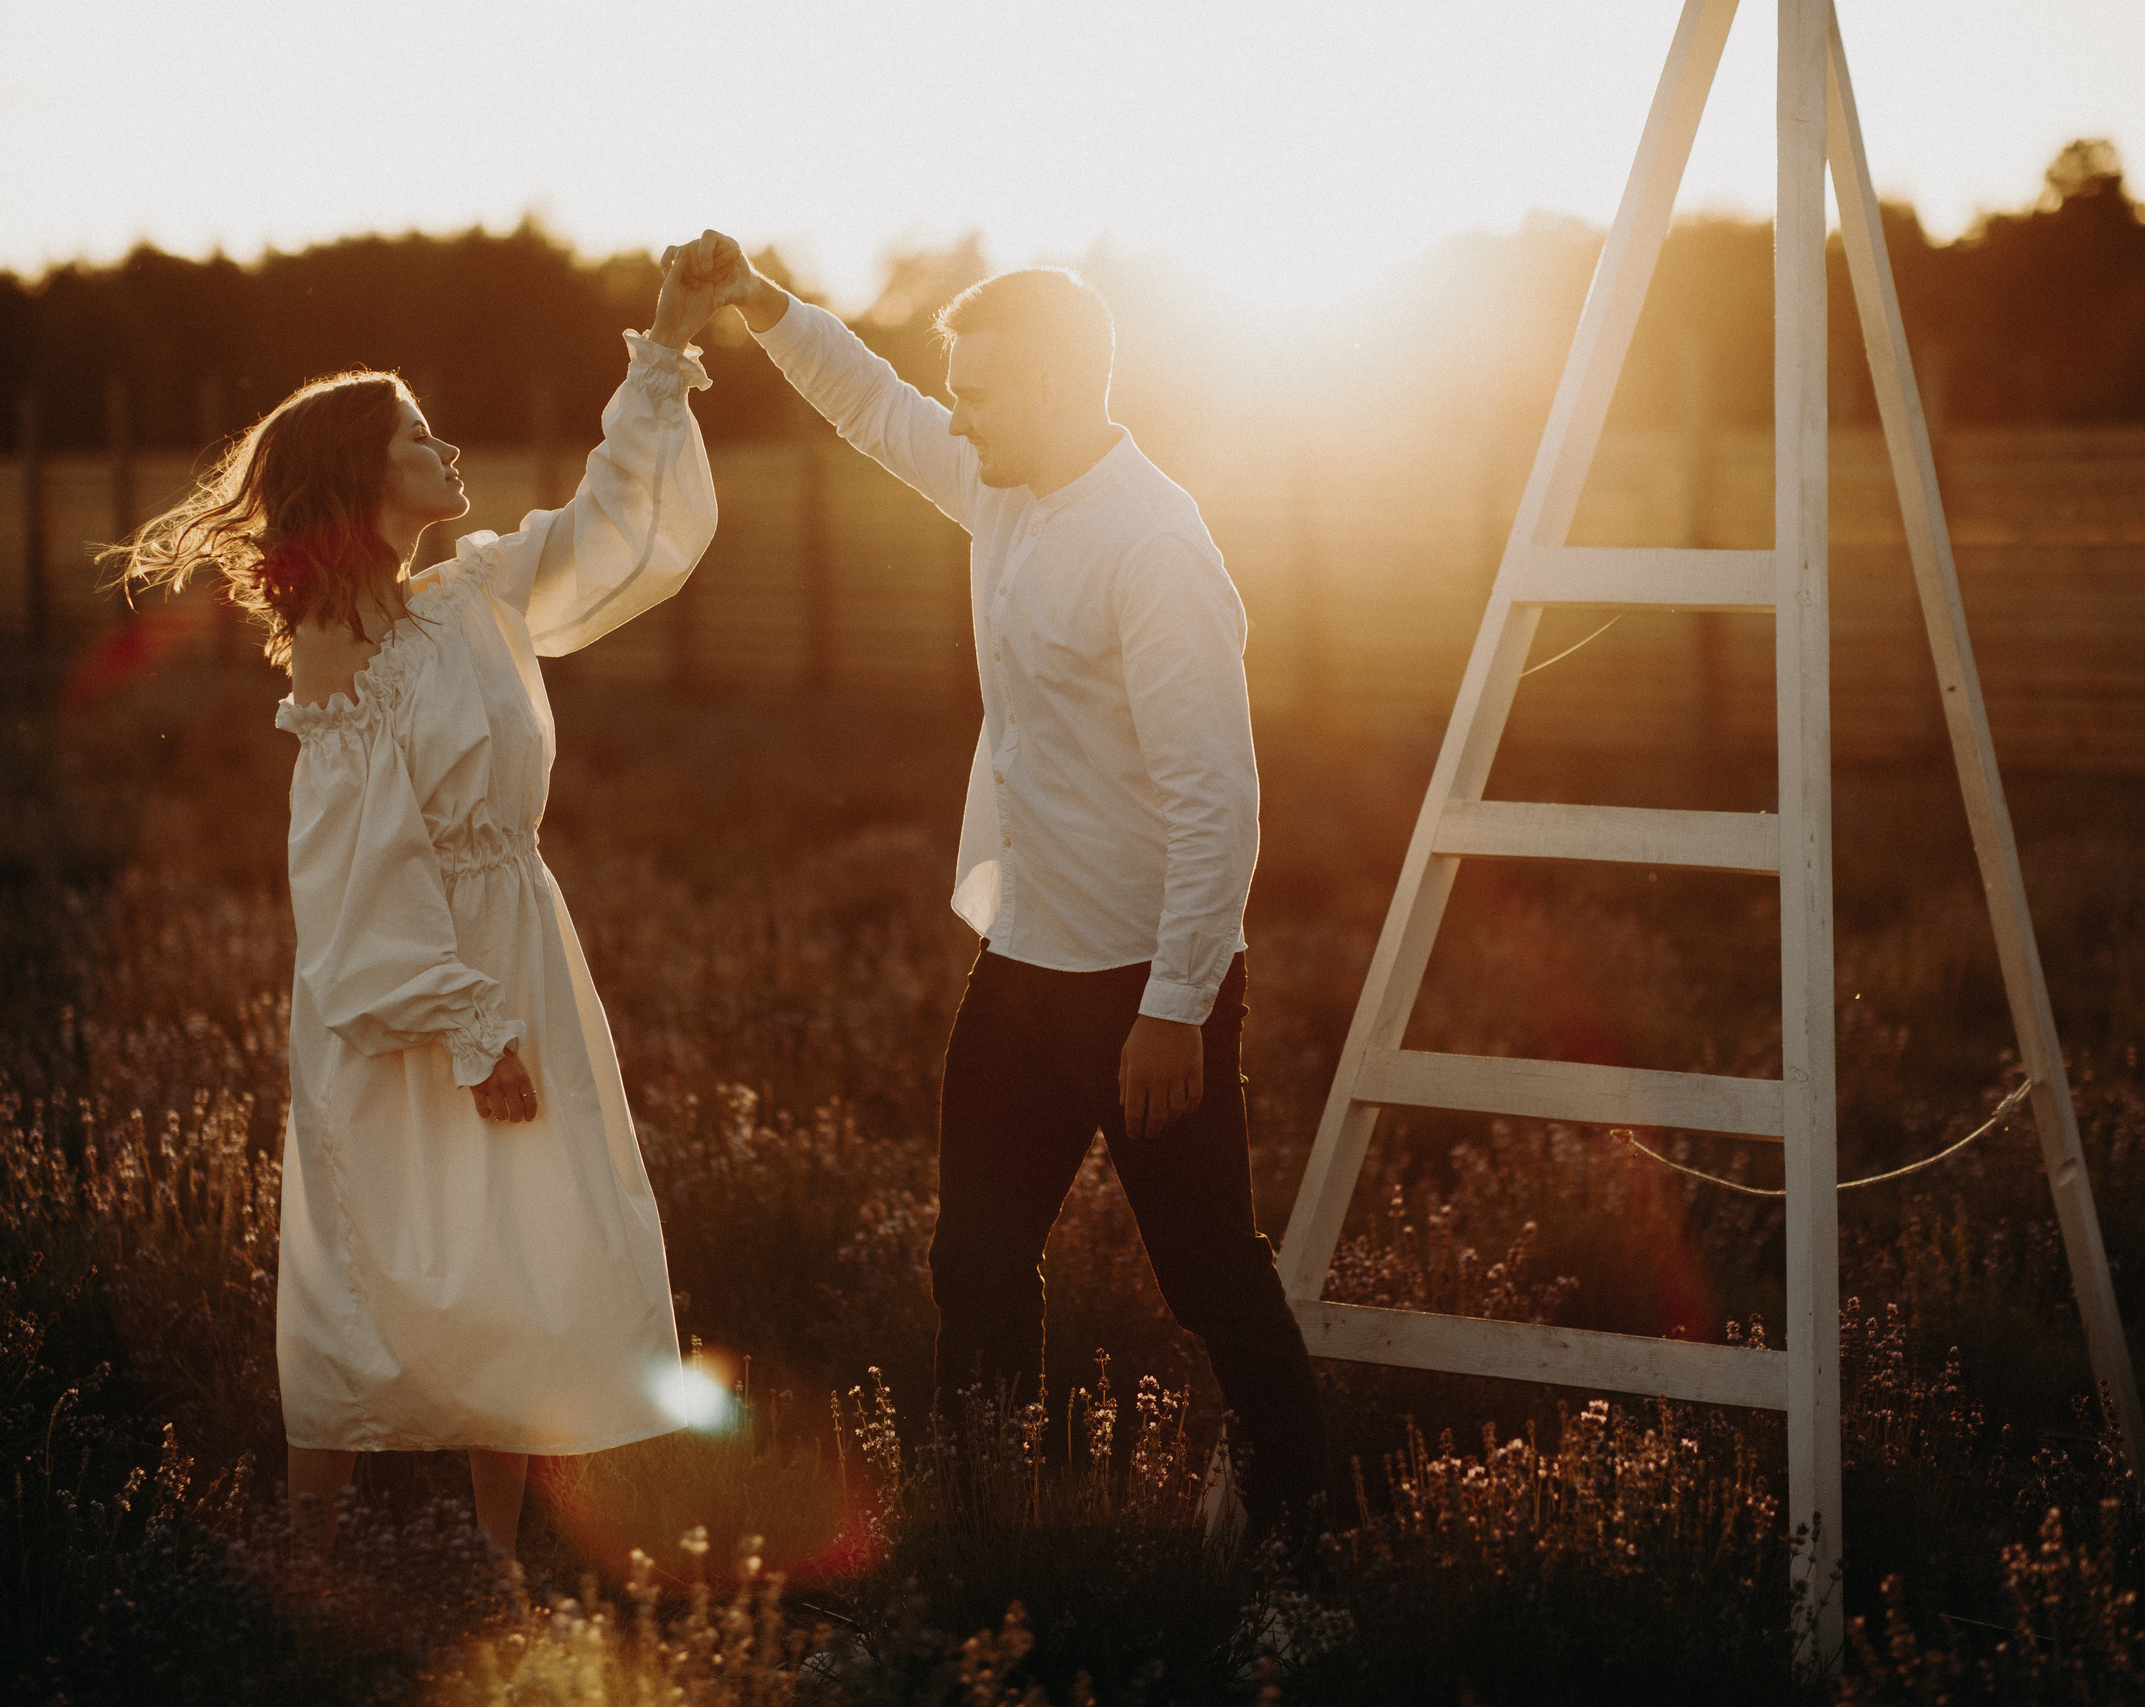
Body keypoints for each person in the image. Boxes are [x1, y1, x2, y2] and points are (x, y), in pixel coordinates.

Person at [108, 239, 731, 1556]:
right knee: (367, 1253)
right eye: (416, 436)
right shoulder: (340, 653)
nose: (447, 449)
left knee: (518, 1247)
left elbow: (615, 517)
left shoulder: (477, 594)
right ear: (360, 475)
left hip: (520, 944)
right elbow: (356, 872)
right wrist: (463, 1023)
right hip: (406, 976)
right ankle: (314, 1560)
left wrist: (671, 336)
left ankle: (495, 1561)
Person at [698, 240, 1327, 1529]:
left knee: (1210, 1279)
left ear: (1054, 389)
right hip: (1023, 963)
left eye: (979, 395)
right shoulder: (1006, 488)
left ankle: (1311, 1547)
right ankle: (991, 1536)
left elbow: (1218, 804)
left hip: (1144, 987)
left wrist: (1175, 1009)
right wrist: (763, 303)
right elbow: (876, 406)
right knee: (975, 1267)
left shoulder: (1155, 547)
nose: (959, 418)